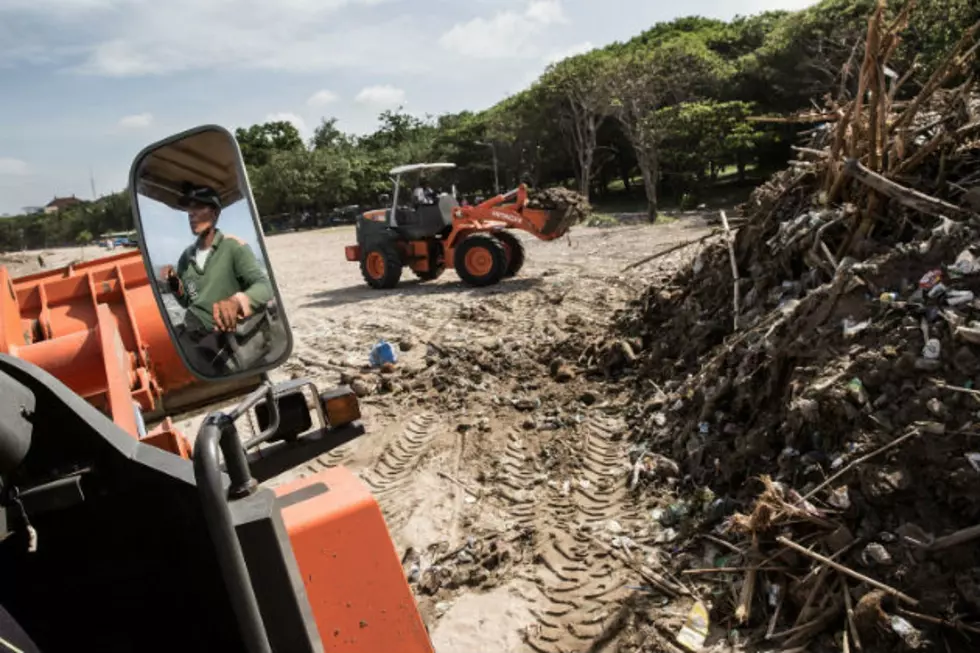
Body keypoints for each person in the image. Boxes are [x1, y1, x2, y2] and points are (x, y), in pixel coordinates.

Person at [160, 185, 275, 374]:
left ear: (214, 213)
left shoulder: (234, 247)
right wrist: (174, 284)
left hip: (221, 340)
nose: (191, 214)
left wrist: (236, 302)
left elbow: (264, 286)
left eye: (198, 207)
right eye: (189, 209)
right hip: (193, 333)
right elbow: (188, 300)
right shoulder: (186, 256)